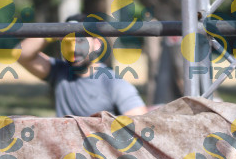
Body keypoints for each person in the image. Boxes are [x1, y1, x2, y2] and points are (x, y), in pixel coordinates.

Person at [16, 24, 147, 117]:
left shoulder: (113, 83)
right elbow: (21, 54)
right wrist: (51, 33)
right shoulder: (59, 72)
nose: (74, 49)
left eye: (80, 41)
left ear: (97, 44)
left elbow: (139, 124)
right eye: (68, 42)